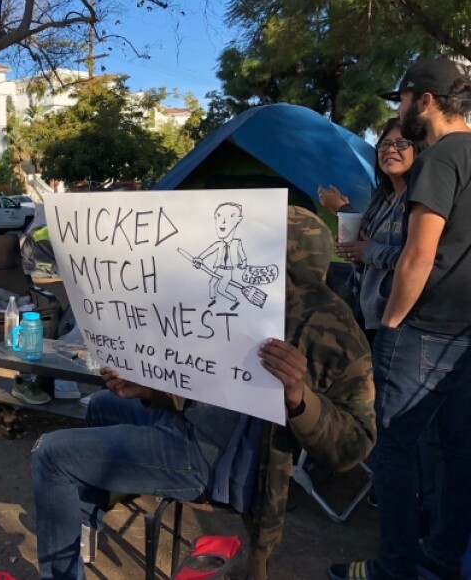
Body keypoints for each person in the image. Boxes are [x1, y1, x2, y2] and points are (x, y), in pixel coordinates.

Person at [32, 206, 375, 580]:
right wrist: (149, 389)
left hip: (215, 459)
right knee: (101, 405)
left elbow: (355, 444)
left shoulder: (331, 326)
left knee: (51, 455)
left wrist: (298, 396)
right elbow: (207, 380)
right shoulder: (234, 300)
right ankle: (82, 529)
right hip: (190, 423)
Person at [330, 58, 471, 580]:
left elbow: (418, 255)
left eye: (403, 99)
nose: (399, 110)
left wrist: (389, 325)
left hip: (424, 329)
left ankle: (394, 566)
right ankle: (443, 554)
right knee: (458, 451)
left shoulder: (439, 157)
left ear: (427, 101)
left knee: (394, 448)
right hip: (466, 332)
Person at [318, 119, 417, 344]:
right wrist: (355, 251)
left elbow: (418, 259)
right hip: (369, 316)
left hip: (400, 323)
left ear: (418, 151)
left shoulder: (418, 202)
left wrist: (368, 251)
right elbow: (368, 250)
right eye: (384, 145)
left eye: (401, 144)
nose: (391, 149)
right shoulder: (383, 200)